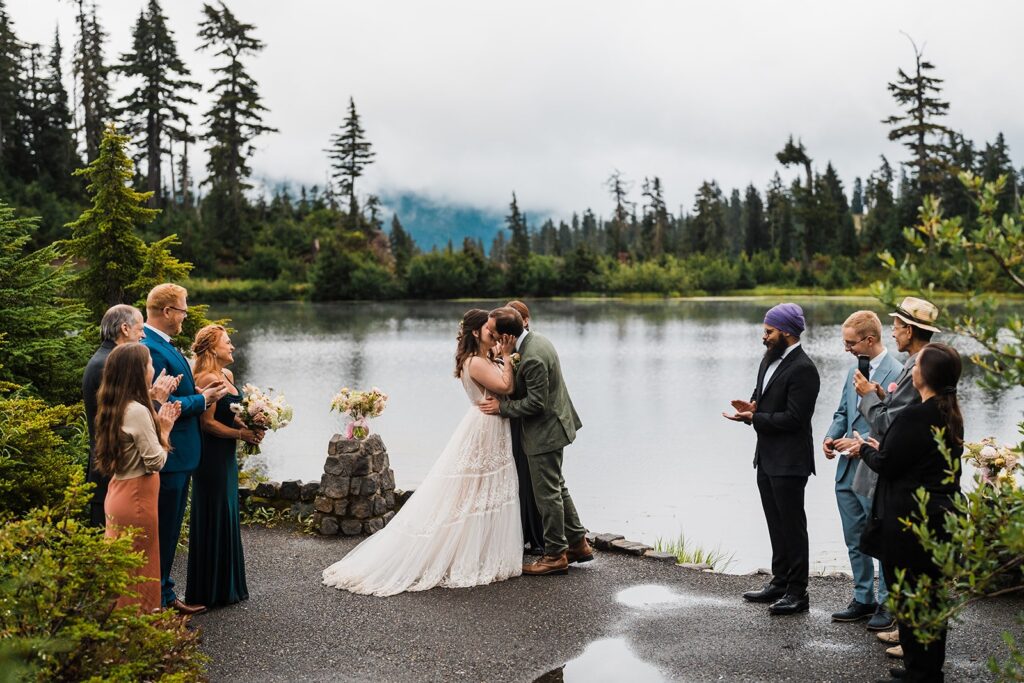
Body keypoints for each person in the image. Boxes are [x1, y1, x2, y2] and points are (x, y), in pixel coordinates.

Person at [323, 309, 523, 596]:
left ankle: (480, 551)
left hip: (491, 424)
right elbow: (506, 385)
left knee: (483, 491)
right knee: (473, 491)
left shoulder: (485, 357)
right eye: (489, 330)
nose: (495, 334)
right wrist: (508, 355)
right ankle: (459, 554)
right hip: (485, 427)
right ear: (476, 332)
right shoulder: (476, 362)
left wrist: (502, 356)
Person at [835, 343, 963, 683]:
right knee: (931, 599)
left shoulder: (915, 416)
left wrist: (864, 448)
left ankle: (919, 672)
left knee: (909, 597)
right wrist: (882, 447)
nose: (912, 368)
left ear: (926, 375)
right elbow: (912, 459)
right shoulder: (947, 412)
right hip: (939, 519)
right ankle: (925, 670)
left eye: (917, 364)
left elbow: (888, 467)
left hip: (911, 522)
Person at [853, 296, 939, 650]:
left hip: (908, 484)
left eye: (898, 326)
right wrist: (877, 393)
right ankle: (906, 630)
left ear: (912, 331)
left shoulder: (919, 367)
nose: (893, 331)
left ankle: (913, 640)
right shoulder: (915, 364)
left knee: (908, 565)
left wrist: (868, 397)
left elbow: (891, 424)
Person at [480, 306, 591, 576]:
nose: (491, 337)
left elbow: (536, 404)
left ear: (506, 336)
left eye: (494, 333)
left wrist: (502, 408)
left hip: (546, 431)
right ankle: (578, 543)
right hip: (554, 425)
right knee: (557, 486)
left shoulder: (532, 357)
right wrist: (506, 358)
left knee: (547, 493)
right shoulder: (534, 340)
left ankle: (555, 555)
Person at [724, 303, 820, 615]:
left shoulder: (804, 369)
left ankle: (797, 592)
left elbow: (795, 418)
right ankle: (779, 582)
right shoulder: (769, 361)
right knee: (775, 522)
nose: (764, 337)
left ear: (787, 333)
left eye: (769, 331)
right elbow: (761, 397)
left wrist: (754, 418)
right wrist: (750, 406)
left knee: (793, 525)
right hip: (766, 457)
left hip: (791, 461)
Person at [142, 283, 229, 615]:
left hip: (182, 454)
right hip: (172, 453)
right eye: (182, 310)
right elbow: (161, 400)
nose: (184, 317)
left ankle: (165, 594)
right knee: (162, 531)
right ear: (167, 312)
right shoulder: (150, 348)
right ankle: (159, 603)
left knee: (170, 527)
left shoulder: (164, 345)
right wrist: (204, 399)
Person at [823, 311, 903, 631]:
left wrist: (863, 445)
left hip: (875, 470)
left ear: (869, 340)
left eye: (850, 343)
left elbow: (896, 426)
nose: (847, 349)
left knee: (881, 539)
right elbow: (843, 411)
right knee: (854, 537)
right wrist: (831, 435)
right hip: (846, 470)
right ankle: (863, 598)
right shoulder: (852, 372)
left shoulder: (898, 373)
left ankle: (887, 603)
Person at [93, 343, 181, 612]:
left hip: (119, 491)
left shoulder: (114, 405)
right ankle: (140, 634)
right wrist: (165, 429)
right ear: (138, 371)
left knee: (123, 570)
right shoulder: (137, 411)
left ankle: (121, 632)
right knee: (140, 570)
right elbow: (155, 461)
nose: (153, 368)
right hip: (137, 499)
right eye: (149, 365)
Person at [186, 325, 262, 608]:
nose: (232, 347)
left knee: (228, 512)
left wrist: (250, 424)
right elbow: (207, 424)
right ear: (211, 348)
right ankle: (210, 589)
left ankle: (229, 584)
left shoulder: (226, 375)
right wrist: (241, 435)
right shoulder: (206, 378)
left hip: (227, 455)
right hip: (211, 457)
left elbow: (230, 413)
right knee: (214, 512)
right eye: (227, 343)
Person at [84, 304, 179, 526]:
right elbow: (124, 417)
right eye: (139, 328)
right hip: (114, 471)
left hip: (114, 469)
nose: (144, 334)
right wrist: (156, 401)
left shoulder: (109, 359)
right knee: (116, 551)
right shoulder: (107, 364)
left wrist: (153, 393)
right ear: (125, 328)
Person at [503, 299, 545, 554]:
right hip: (514, 419)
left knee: (531, 479)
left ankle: (536, 535)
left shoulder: (533, 349)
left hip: (525, 419)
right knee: (518, 475)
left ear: (525, 320)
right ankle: (521, 532)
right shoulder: (507, 348)